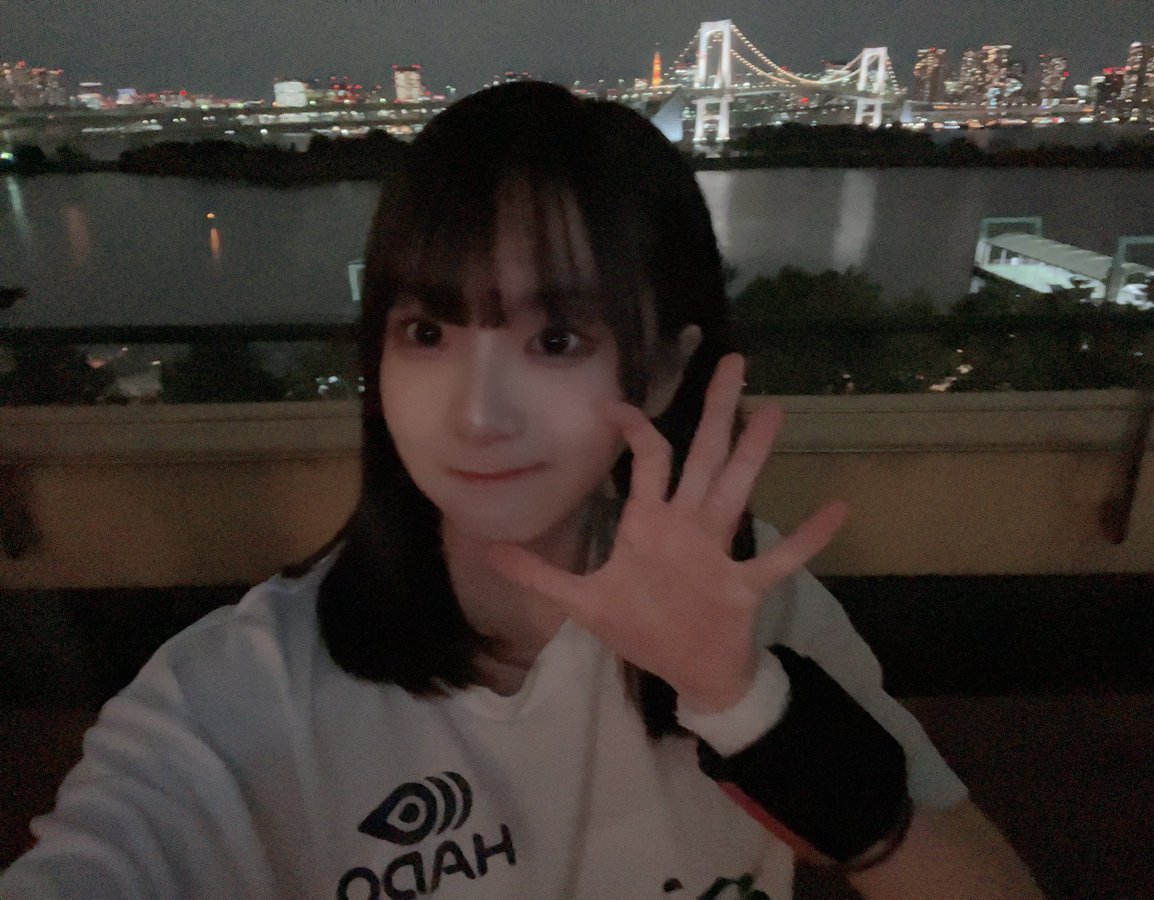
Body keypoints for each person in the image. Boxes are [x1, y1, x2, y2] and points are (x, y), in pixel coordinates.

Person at [0, 82, 1041, 899]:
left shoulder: (749, 608)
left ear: (664, 370)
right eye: (427, 332)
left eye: (555, 340)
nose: (476, 415)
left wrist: (747, 704)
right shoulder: (237, 697)